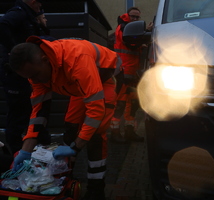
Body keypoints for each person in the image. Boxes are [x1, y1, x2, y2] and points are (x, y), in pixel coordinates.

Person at [9, 35, 122, 200]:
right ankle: (66, 179)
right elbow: (39, 114)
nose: (34, 81)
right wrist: (25, 150)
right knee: (71, 127)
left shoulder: (77, 61)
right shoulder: (37, 71)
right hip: (79, 83)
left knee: (95, 135)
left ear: (45, 59)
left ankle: (96, 189)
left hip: (107, 78)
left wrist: (76, 147)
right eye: (29, 78)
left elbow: (95, 110)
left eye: (35, 75)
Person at [0, 0, 44, 155]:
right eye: (39, 5)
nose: (40, 8)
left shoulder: (31, 16)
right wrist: (14, 51)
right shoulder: (19, 13)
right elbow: (3, 24)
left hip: (27, 73)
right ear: (33, 2)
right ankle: (15, 153)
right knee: (18, 112)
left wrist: (42, 24)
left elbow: (42, 40)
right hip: (15, 75)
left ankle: (35, 146)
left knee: (31, 108)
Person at [110, 7, 153, 143]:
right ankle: (115, 133)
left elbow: (134, 45)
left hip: (133, 73)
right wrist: (146, 34)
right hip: (123, 73)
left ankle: (129, 131)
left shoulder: (131, 29)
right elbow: (132, 43)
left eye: (137, 17)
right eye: (132, 16)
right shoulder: (123, 27)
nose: (134, 19)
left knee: (133, 104)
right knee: (120, 104)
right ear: (127, 16)